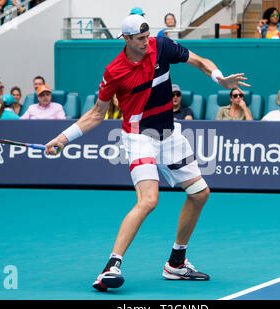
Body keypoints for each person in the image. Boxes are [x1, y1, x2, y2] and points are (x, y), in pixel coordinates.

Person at [45, 14, 250, 292]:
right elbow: (96, 114)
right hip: (139, 137)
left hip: (170, 134)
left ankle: (176, 263)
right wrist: (62, 138)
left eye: (146, 36)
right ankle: (111, 267)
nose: (146, 42)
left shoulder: (161, 46)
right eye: (140, 39)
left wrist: (219, 78)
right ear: (126, 39)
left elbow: (200, 62)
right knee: (149, 200)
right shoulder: (114, 71)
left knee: (200, 193)